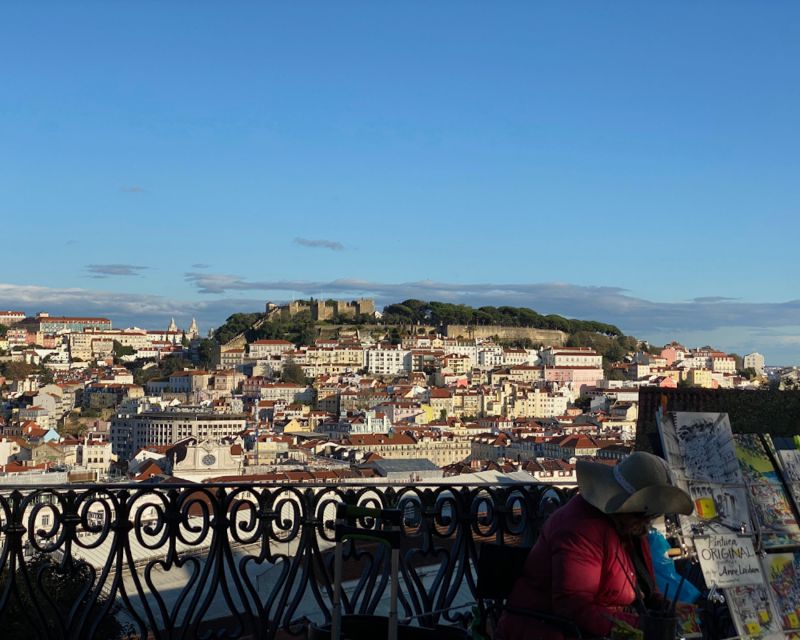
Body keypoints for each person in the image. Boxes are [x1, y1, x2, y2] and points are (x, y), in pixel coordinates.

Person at [495, 451, 693, 640]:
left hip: (602, 628)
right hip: (549, 630)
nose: (647, 522)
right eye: (644, 514)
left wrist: (665, 608)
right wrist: (640, 626)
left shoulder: (629, 525)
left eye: (651, 515)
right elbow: (573, 606)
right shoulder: (580, 528)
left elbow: (644, 587)